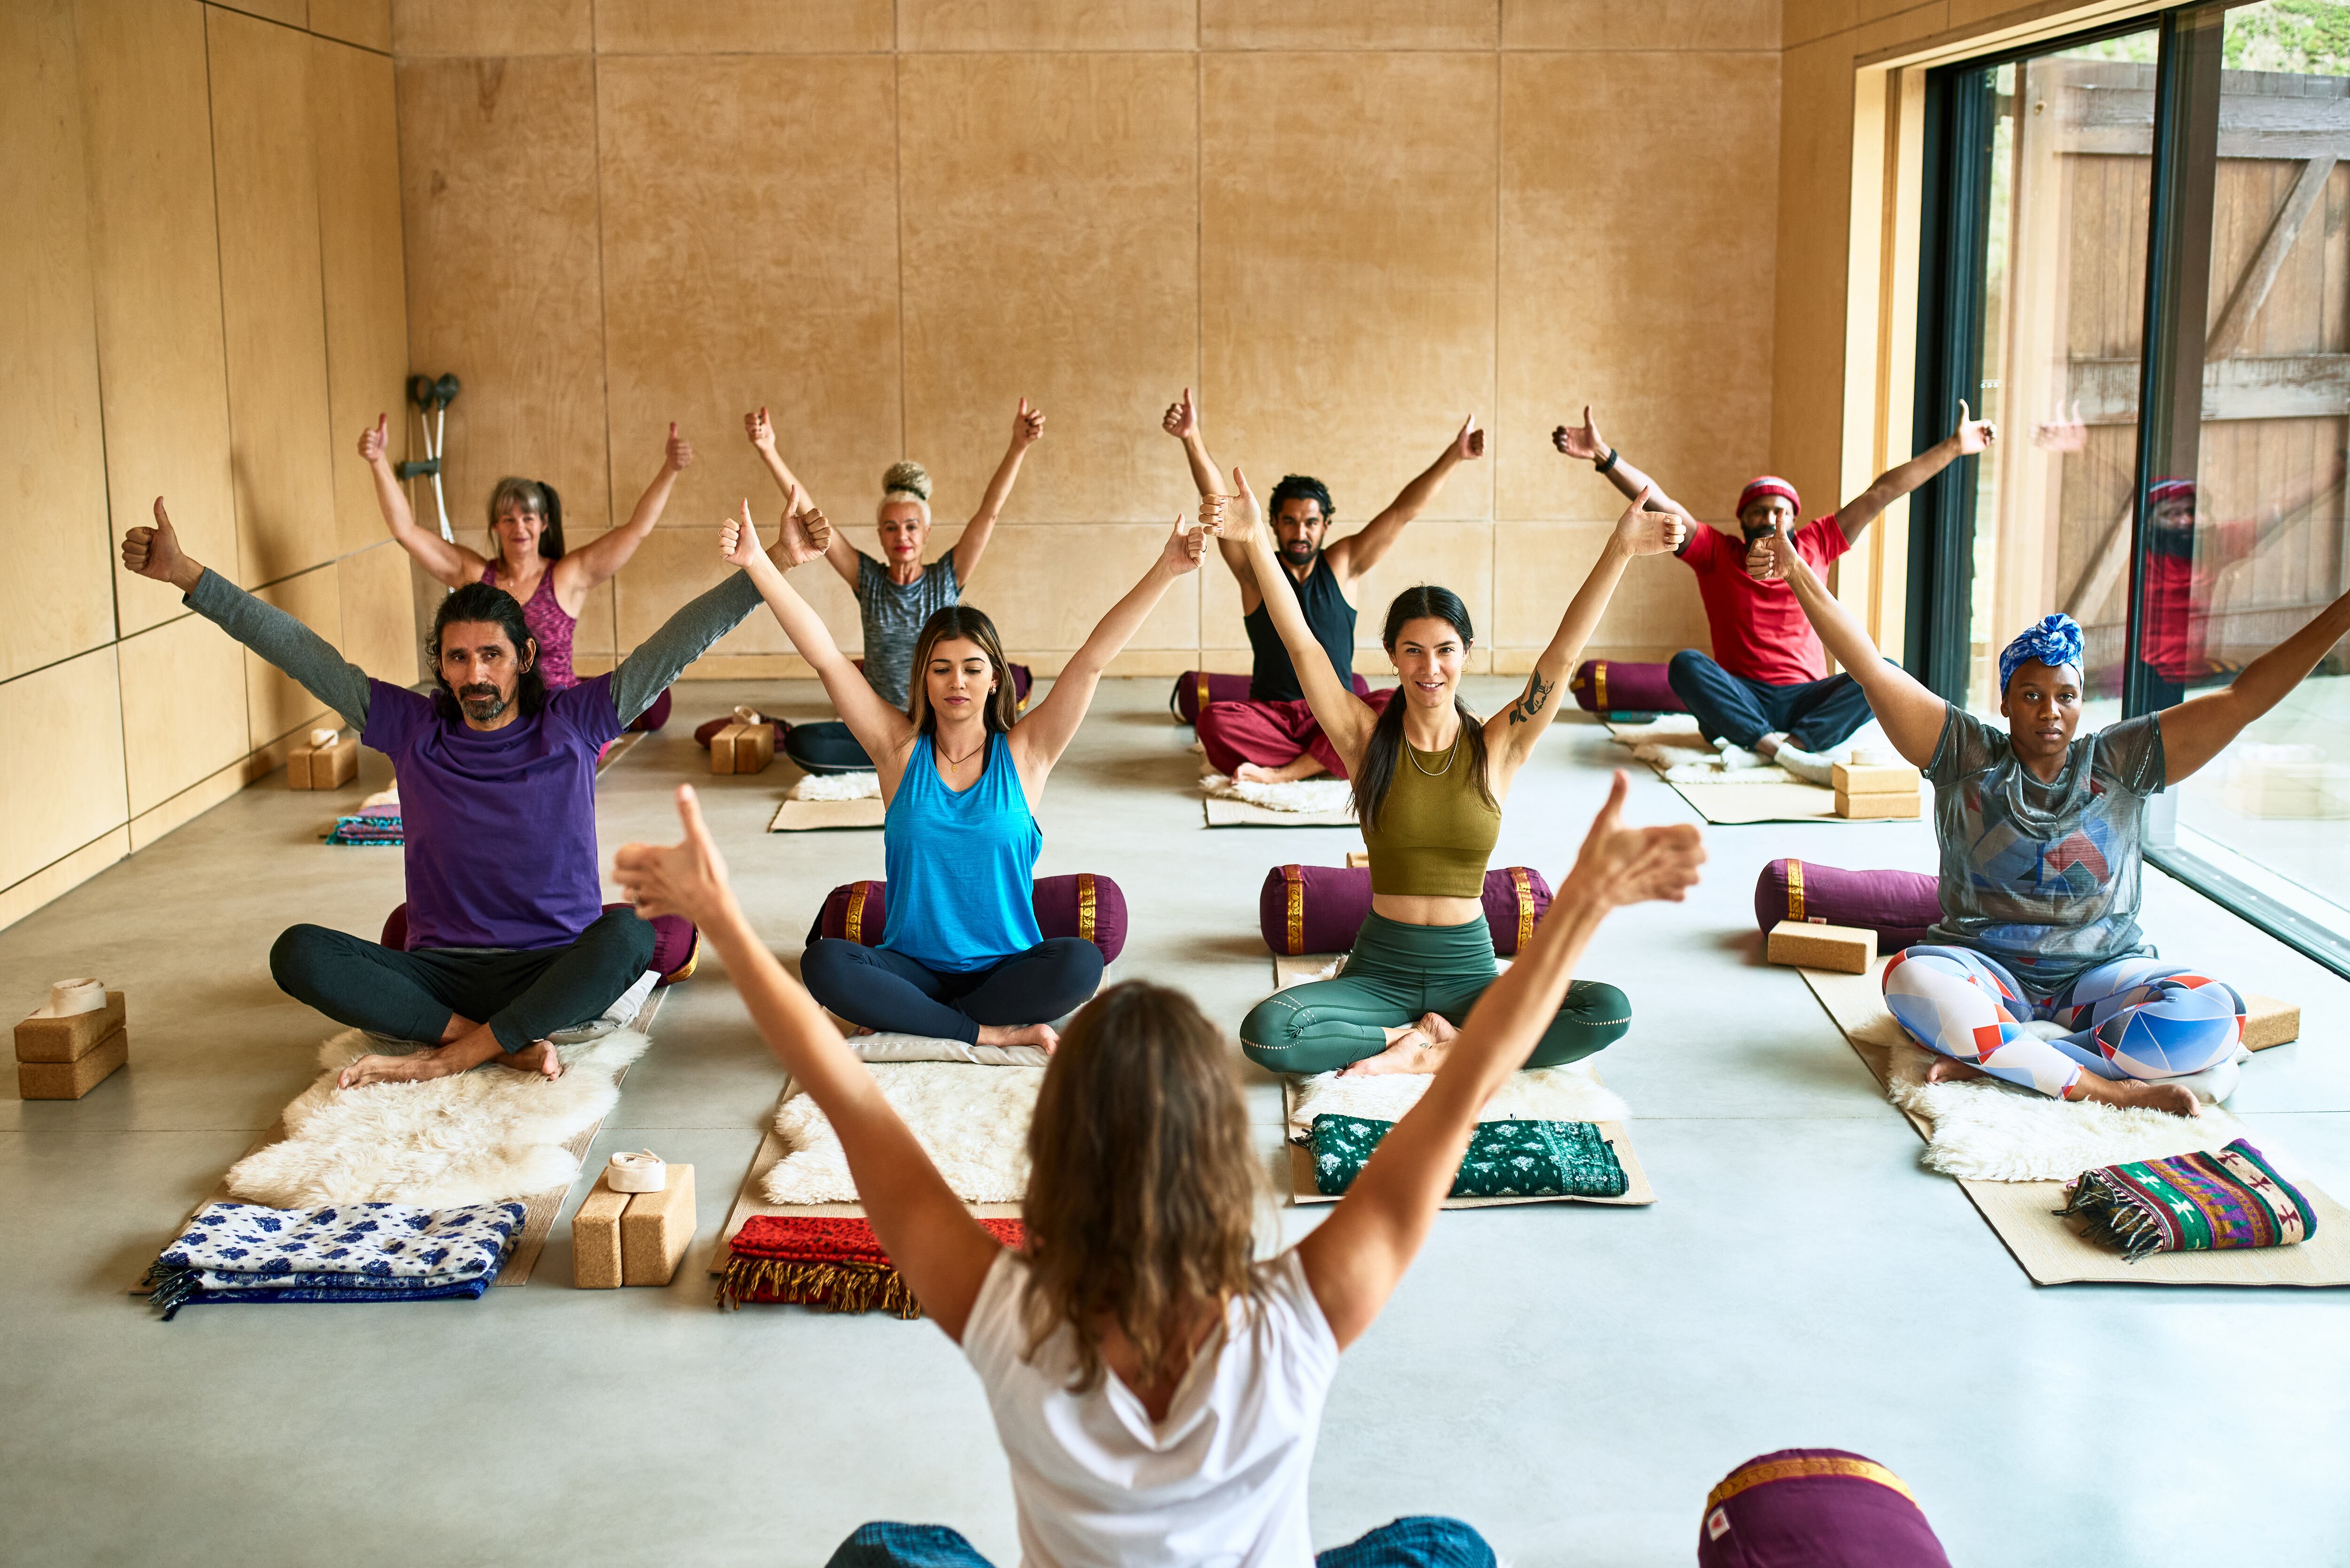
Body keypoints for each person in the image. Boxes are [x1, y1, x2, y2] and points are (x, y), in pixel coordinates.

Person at [611, 764, 1703, 1567]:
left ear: (1051, 1155)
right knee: (1447, 1549)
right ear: (1223, 1159)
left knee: (886, 1552)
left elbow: (845, 1093)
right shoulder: (1294, 1319)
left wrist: (723, 920)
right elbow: (1466, 1081)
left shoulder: (1009, 1317)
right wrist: (1580, 908)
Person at [119, 496, 830, 1088]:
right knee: (297, 951)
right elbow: (299, 649)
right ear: (441, 665)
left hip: (554, 966)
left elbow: (678, 643)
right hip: (443, 976)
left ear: (524, 657)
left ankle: (456, 1051)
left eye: (492, 654)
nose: (476, 674)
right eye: (458, 658)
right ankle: (489, 1042)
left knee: (629, 936)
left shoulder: (574, 721)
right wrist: (186, 574)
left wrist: (771, 562)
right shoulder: (411, 727)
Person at [1765, 517, 2350, 1114]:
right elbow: (1869, 666)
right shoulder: (1964, 754)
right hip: (1984, 970)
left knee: (2214, 1010)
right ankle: (2107, 1088)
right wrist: (1795, 572)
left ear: (2079, 701)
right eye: (2031, 695)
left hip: (2097, 978)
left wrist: (2343, 613)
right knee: (1908, 979)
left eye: (2065, 696)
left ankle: (2009, 1060)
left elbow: (2242, 699)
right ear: (2004, 701)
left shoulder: (2122, 759)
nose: (2049, 711)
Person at [1224, 463, 1684, 1077]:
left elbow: (1561, 656)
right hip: (1379, 972)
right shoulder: (1364, 739)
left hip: (1469, 974)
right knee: (1269, 1034)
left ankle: (1437, 1048)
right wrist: (1255, 540)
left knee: (1605, 1010)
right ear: (1392, 657)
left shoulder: (1499, 745)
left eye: (1445, 650)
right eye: (1412, 651)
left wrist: (1619, 550)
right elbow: (1303, 645)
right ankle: (1407, 1039)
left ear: (1465, 653)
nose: (1429, 667)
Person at [729, 502, 1204, 1051]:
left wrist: (1166, 569)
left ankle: (920, 1020)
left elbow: (1092, 659)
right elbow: (827, 659)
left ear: (995, 679)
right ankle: (981, 1031)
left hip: (1005, 969)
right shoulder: (897, 750)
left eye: (972, 668)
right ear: (924, 679)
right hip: (911, 967)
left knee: (1080, 962)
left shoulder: (1026, 752)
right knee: (824, 962)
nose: (957, 682)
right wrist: (758, 563)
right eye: (941, 669)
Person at [1554, 403, 1997, 781]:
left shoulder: (1818, 542)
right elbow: (1664, 504)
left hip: (1806, 699)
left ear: (1794, 519)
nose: (1770, 519)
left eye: (1780, 512)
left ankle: (1783, 746)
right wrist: (1605, 456)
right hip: (1744, 696)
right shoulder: (1717, 552)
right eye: (1759, 512)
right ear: (1742, 520)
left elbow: (1881, 493)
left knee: (1885, 671)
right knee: (1685, 666)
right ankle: (1776, 747)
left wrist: (1953, 447)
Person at [1166, 387, 1484, 782]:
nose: (1300, 532)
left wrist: (1455, 455)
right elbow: (1218, 499)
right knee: (1213, 723)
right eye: (1289, 522)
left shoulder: (1344, 565)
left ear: (1326, 525)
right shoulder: (1255, 572)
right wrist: (1191, 437)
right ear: (1273, 523)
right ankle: (1337, 756)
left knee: (1393, 705)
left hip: (1338, 712)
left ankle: (1287, 770)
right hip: (1274, 716)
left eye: (1311, 523)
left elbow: (1402, 511)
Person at [745, 399, 1044, 770]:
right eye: (891, 527)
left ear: (926, 533)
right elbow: (812, 515)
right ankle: (908, 756)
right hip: (883, 722)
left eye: (911, 527)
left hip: (939, 720)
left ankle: (910, 757)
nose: (902, 536)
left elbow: (989, 514)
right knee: (804, 742)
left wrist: (1018, 446)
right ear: (880, 535)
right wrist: (769, 451)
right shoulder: (868, 579)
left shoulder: (946, 577)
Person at [358, 414, 693, 729]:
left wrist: (671, 469)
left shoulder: (566, 577)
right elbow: (406, 531)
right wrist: (378, 462)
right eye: (509, 519)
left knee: (650, 704)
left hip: (559, 714)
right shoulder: (476, 574)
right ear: (496, 526)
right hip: (493, 712)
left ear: (543, 523)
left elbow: (636, 530)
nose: (519, 528)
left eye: (528, 518)